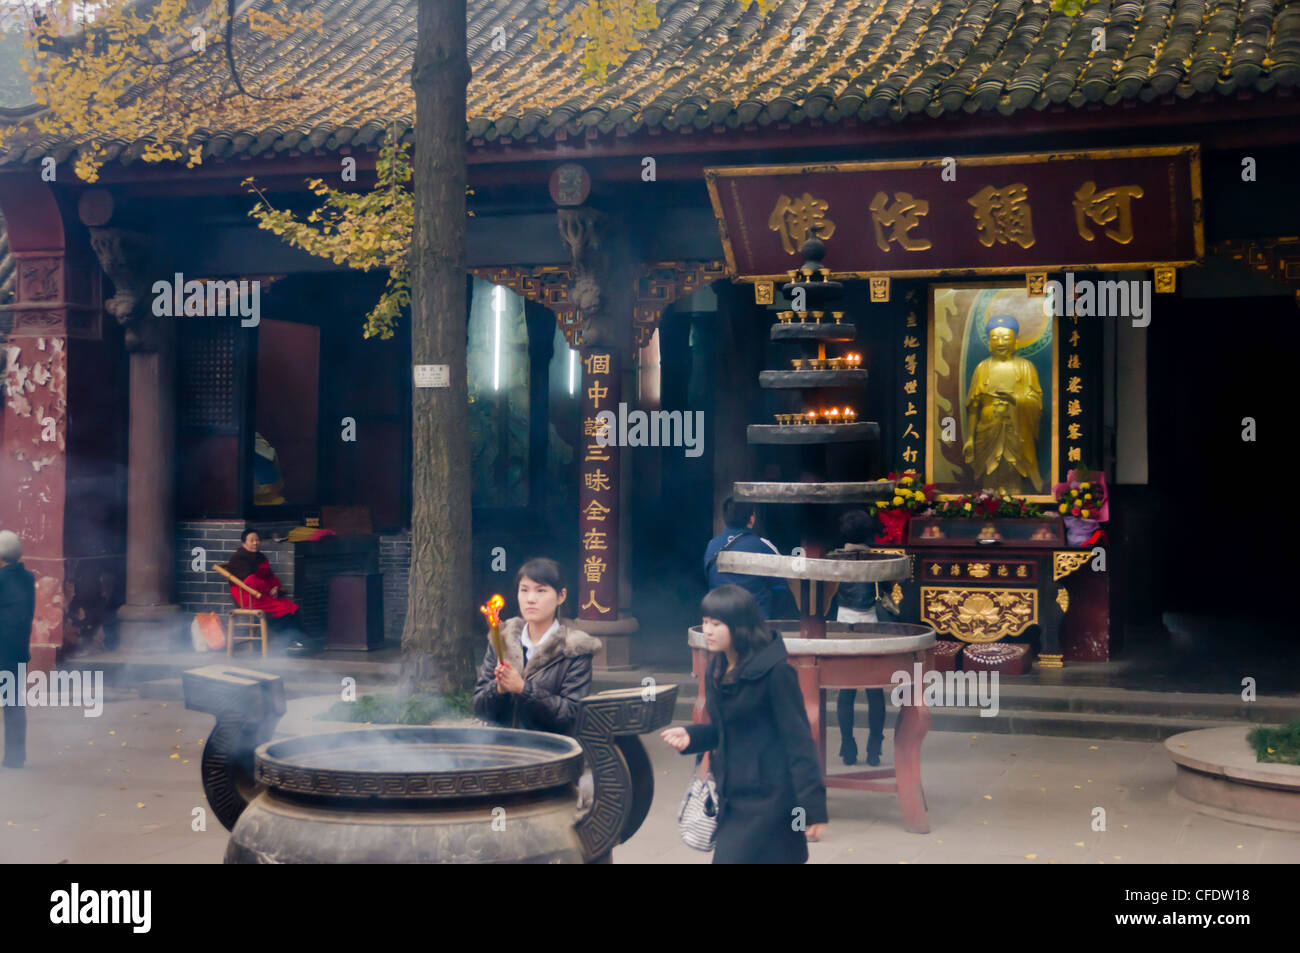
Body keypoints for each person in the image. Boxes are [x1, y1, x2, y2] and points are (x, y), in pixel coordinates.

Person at [661, 584, 827, 863]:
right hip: (732, 795)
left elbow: (798, 741)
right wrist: (692, 736)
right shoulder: (716, 668)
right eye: (704, 622)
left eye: (716, 623)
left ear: (739, 626)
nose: (708, 631)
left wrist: (813, 808)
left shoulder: (776, 673)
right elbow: (727, 730)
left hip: (771, 799)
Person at [472, 558, 603, 735]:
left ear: (561, 596)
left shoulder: (574, 650)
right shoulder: (501, 641)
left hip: (550, 751)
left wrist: (523, 689)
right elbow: (479, 708)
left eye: (541, 591)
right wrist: (497, 689)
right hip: (501, 747)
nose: (531, 599)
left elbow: (570, 715)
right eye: (524, 590)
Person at [833, 509, 887, 766]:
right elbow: (888, 588)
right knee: (875, 690)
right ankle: (875, 748)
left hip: (844, 620)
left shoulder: (834, 559)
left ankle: (847, 745)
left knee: (846, 689)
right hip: (871, 621)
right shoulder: (876, 559)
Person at [220, 530, 307, 656]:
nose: (255, 543)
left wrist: (276, 588)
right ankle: (291, 641)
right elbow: (250, 581)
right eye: (252, 540)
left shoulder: (260, 557)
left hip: (262, 593)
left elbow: (270, 576)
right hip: (248, 595)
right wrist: (268, 589)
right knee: (281, 609)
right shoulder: (238, 559)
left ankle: (299, 640)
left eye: (257, 540)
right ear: (244, 543)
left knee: (291, 606)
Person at [703, 497, 791, 619]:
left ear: (725, 519)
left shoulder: (712, 545)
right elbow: (781, 588)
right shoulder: (763, 546)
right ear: (751, 519)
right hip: (754, 625)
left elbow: (709, 579)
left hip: (719, 620)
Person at [0, 530, 35, 769]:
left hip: (2, 650)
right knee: (13, 704)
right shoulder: (27, 577)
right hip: (17, 650)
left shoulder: (2, 580)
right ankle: (15, 757)